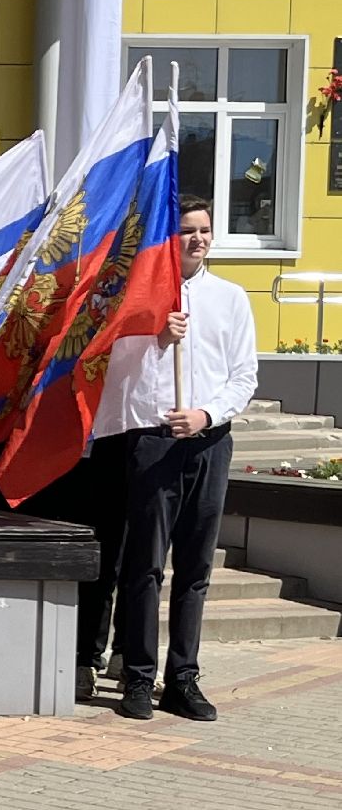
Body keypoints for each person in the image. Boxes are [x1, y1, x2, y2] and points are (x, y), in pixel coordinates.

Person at [105, 196, 257, 722]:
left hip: (208, 441)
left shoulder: (231, 298)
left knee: (194, 568)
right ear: (171, 239)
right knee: (145, 564)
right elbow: (114, 375)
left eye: (205, 230)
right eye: (188, 230)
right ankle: (138, 676)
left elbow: (244, 376)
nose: (198, 238)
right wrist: (154, 338)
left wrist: (206, 415)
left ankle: (183, 678)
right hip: (155, 441)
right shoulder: (141, 300)